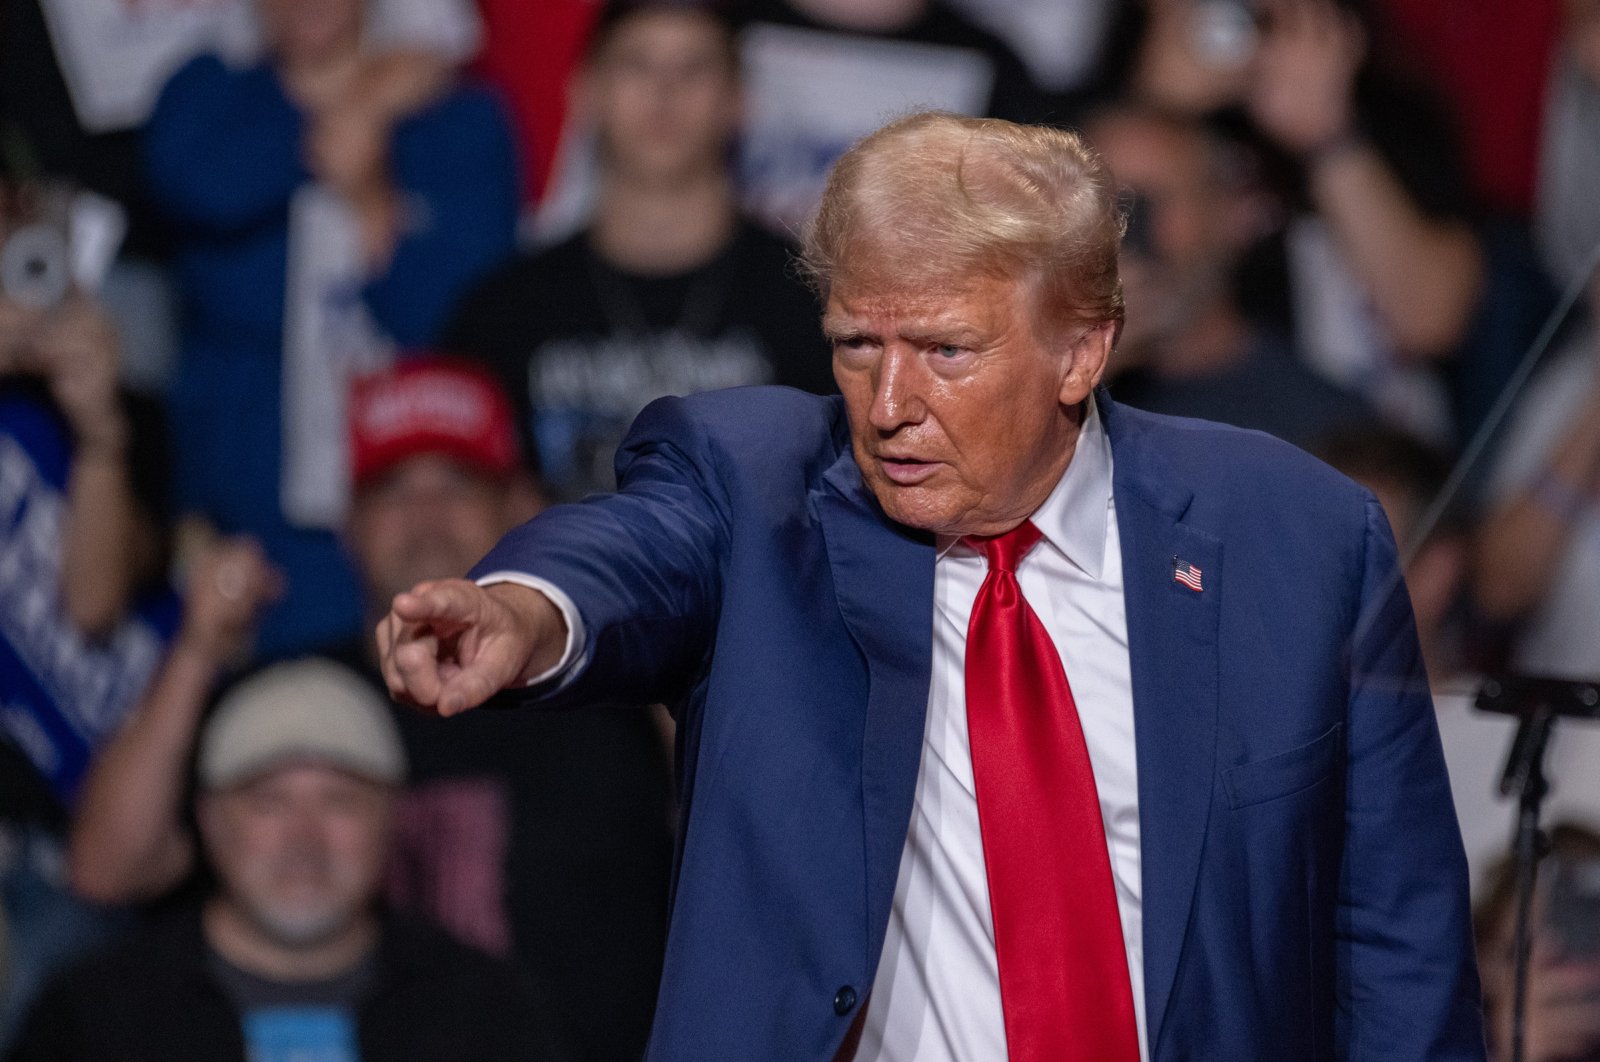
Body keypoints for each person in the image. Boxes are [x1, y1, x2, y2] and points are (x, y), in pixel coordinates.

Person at [379, 112, 1484, 1059]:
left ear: (1080, 352)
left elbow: (1394, 934)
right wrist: (525, 612)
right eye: (857, 344)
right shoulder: (762, 491)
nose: (888, 402)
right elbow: (634, 551)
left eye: (946, 351)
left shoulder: (1298, 538)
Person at [68, 357, 673, 1061]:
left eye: (458, 483)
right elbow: (109, 869)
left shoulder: (615, 682)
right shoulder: (290, 701)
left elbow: (748, 838)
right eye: (392, 490)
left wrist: (618, 609)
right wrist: (197, 649)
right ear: (349, 524)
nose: (425, 519)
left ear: (520, 504)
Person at [142, 0, 518, 658]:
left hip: (417, 521)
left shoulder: (462, 120)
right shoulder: (208, 101)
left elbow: (461, 329)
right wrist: (357, 106)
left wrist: (376, 203)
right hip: (250, 527)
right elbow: (198, 183)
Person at [8, 658, 566, 1061]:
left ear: (393, 820)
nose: (304, 837)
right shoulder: (95, 1019)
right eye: (268, 802)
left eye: (340, 801)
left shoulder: (485, 1012)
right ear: (209, 821)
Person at [445, 0, 833, 503]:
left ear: (739, 101)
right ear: (584, 92)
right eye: (636, 64)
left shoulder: (811, 307)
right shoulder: (501, 315)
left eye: (693, 67)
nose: (664, 93)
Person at [1091, 103, 1371, 450]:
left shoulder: (1318, 428)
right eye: (1103, 205)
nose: (1127, 231)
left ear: (1229, 215)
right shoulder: (1049, 397)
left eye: (1150, 202)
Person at [1474, 821, 1600, 1062]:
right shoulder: (1437, 1042)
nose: (1551, 971)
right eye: (1519, 952)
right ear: (1481, 962)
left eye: (1581, 942)